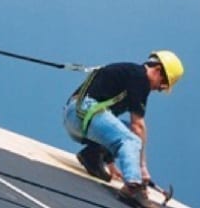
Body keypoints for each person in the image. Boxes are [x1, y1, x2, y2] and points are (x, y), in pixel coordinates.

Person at [63, 50, 184, 208]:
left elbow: (111, 126)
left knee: (129, 132)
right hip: (81, 112)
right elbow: (138, 125)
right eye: (162, 85)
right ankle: (133, 188)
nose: (159, 89)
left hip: (77, 117)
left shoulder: (130, 77)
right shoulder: (140, 78)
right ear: (158, 70)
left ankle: (92, 156)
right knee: (132, 138)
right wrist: (141, 170)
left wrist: (111, 163)